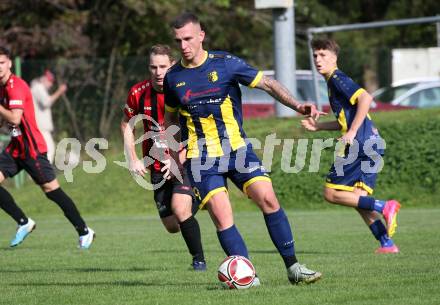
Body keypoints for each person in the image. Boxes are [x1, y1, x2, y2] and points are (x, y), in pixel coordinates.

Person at [163, 12, 324, 285]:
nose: (183, 45)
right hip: (201, 159)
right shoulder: (173, 78)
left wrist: (297, 105)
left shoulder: (226, 64)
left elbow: (268, 83)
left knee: (269, 199)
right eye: (178, 40)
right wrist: (174, 154)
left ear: (201, 36)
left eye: (188, 38)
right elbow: (169, 120)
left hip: (237, 150)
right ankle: (248, 277)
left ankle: (294, 267)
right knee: (222, 214)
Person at [301, 38, 401, 254]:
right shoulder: (332, 82)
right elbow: (345, 120)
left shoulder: (337, 78)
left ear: (334, 58)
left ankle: (385, 206)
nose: (318, 59)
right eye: (315, 56)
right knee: (358, 199)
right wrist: (318, 128)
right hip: (372, 142)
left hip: (360, 143)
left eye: (323, 55)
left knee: (331, 193)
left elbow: (366, 98)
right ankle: (387, 244)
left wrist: (352, 132)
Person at [121, 44, 206, 271]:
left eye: (163, 67)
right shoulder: (138, 93)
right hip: (157, 165)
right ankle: (197, 197)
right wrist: (132, 158)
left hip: (184, 160)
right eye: (153, 67)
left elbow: (198, 128)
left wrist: (176, 157)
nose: (158, 72)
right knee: (171, 225)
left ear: (172, 65)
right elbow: (127, 125)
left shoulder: (184, 90)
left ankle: (199, 260)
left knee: (180, 209)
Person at [0, 46, 94, 249]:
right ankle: (24, 222)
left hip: (32, 149)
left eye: (1, 63)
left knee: (51, 190)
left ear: (9, 63)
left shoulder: (15, 86)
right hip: (16, 147)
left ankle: (84, 230)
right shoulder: (1, 86)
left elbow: (15, 117)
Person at [30, 70, 67, 163]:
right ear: (44, 79)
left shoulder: (38, 87)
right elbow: (46, 102)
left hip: (39, 126)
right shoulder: (38, 87)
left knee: (42, 151)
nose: (51, 84)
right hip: (40, 127)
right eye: (50, 81)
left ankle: (39, 173)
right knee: (49, 149)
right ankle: (45, 174)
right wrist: (59, 91)